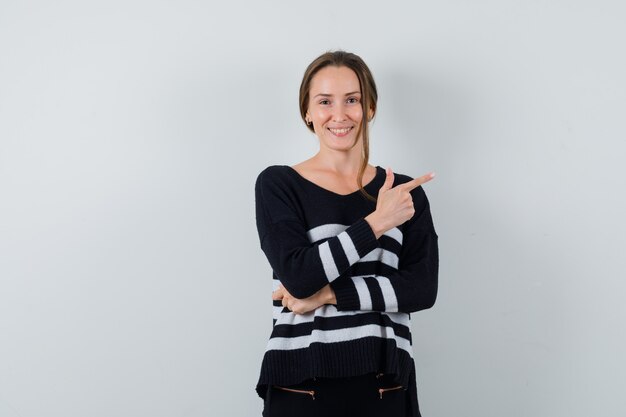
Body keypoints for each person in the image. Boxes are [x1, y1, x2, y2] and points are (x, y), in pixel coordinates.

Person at [254, 49, 439, 417]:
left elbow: (421, 289)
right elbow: (298, 275)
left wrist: (328, 294)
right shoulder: (279, 184)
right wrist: (377, 223)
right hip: (301, 385)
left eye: (352, 100)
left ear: (369, 108)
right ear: (307, 111)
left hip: (385, 383)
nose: (339, 115)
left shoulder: (404, 193)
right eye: (325, 101)